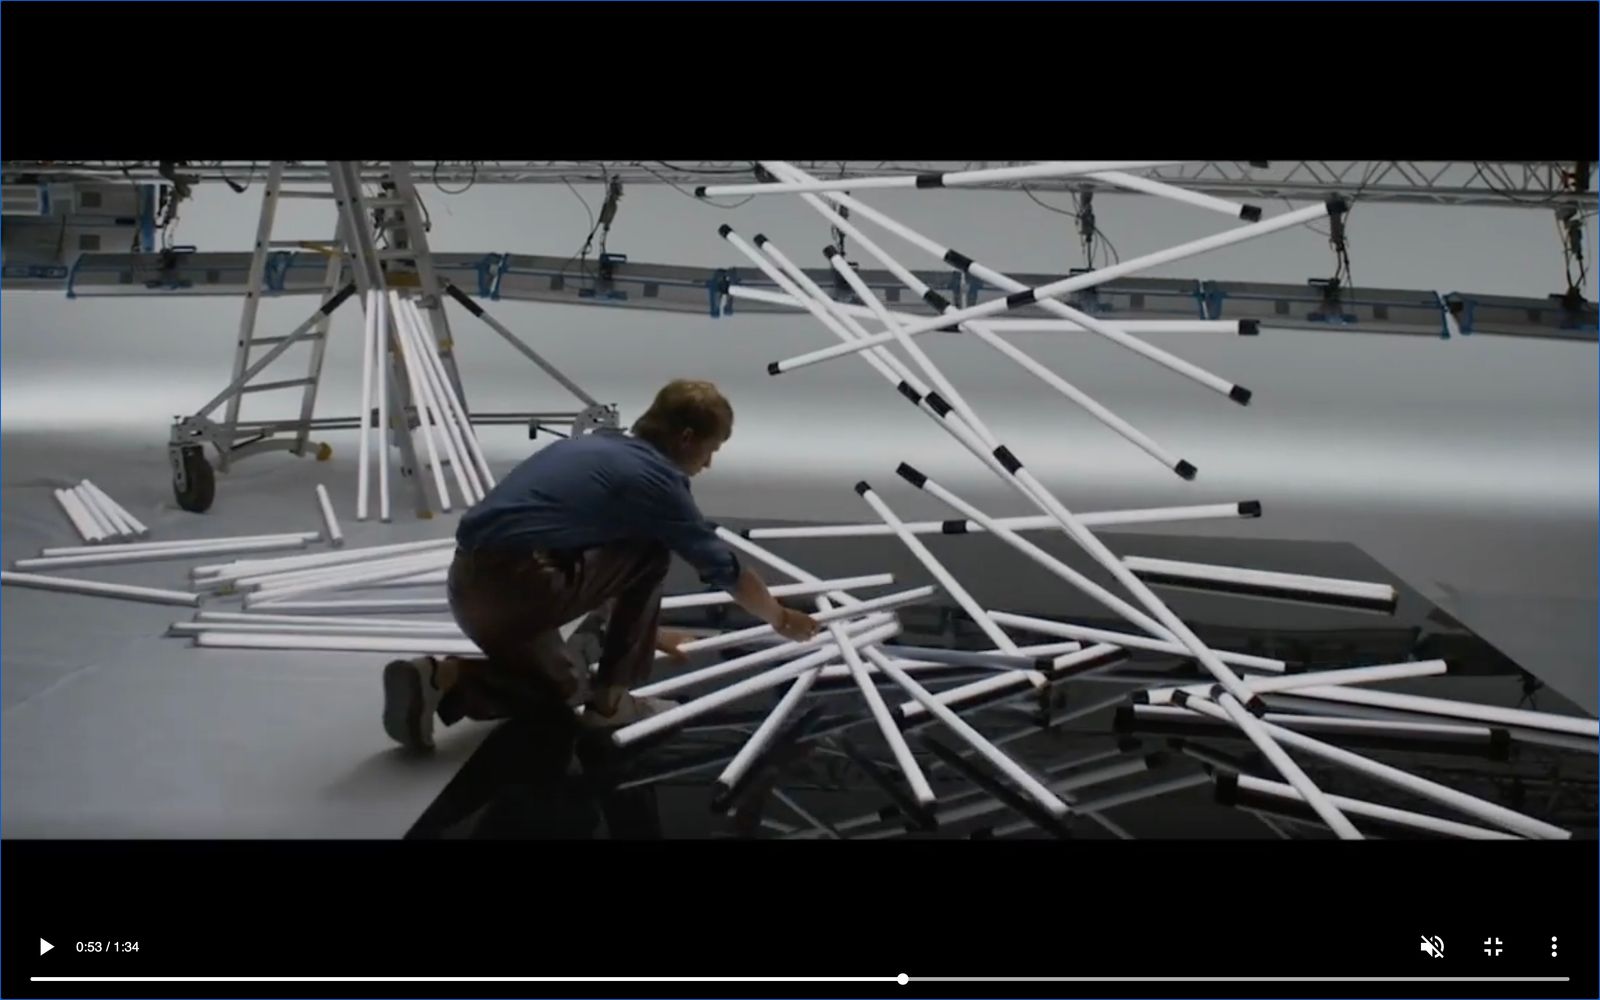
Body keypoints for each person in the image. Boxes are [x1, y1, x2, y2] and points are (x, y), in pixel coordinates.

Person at [381, 378, 820, 752]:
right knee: (651, 547)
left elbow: (592, 557)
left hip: (468, 585)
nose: (708, 463)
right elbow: (726, 570)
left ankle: (443, 677)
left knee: (561, 691)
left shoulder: (594, 447)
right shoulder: (657, 483)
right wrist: (780, 617)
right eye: (710, 449)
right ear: (686, 437)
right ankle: (612, 701)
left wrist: (647, 632)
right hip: (521, 586)